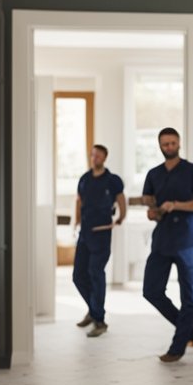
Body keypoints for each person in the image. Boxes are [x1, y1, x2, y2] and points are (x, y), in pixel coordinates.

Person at [141, 127, 193, 362]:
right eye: (165, 144)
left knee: (190, 297)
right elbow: (149, 209)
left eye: (173, 143)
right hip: (162, 240)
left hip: (188, 241)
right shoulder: (153, 174)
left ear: (179, 143)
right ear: (159, 146)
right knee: (151, 291)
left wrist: (178, 205)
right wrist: (155, 213)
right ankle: (189, 331)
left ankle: (177, 347)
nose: (169, 148)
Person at [73, 144, 126, 337]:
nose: (94, 158)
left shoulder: (112, 180)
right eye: (92, 155)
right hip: (85, 234)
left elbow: (121, 199)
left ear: (105, 157)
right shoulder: (84, 179)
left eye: (98, 156)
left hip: (102, 234)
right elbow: (79, 201)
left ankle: (100, 320)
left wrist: (121, 217)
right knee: (78, 276)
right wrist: (76, 222)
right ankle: (93, 310)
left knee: (95, 272)